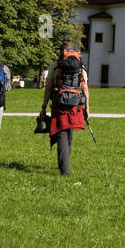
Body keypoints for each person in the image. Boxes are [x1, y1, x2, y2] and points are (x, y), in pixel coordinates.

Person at [41, 44, 90, 177]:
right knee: (69, 132)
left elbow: (49, 86)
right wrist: (87, 108)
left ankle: (65, 169)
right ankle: (65, 164)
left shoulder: (56, 65)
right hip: (75, 104)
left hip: (59, 103)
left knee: (61, 132)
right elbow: (85, 87)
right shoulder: (81, 65)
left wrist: (44, 106)